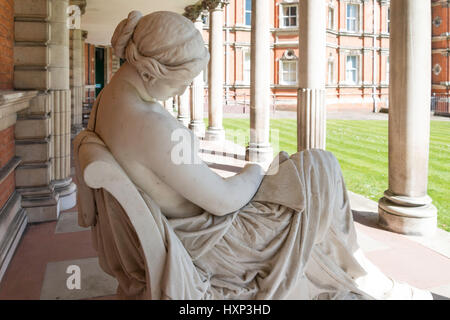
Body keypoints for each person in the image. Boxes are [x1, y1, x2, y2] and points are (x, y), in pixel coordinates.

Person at [75, 10, 432, 300]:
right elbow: (224, 200)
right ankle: (361, 278)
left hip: (193, 227)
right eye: (184, 81)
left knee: (310, 172)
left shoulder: (112, 101)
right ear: (152, 70)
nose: (185, 89)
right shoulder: (149, 124)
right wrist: (253, 169)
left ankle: (353, 275)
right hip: (217, 240)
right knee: (321, 169)